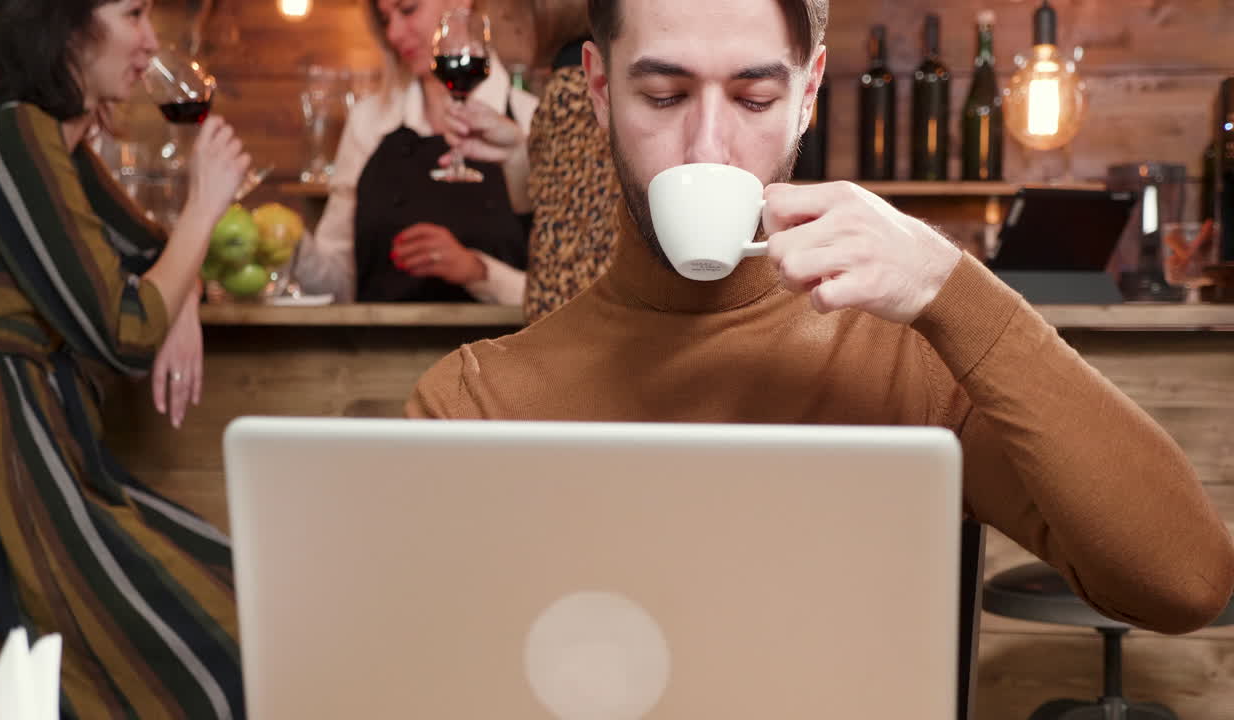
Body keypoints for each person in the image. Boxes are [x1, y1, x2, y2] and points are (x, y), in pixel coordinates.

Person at [409, 0, 1234, 635]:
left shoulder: (911, 368)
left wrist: (955, 287)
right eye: (662, 95)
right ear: (596, 88)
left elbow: (1184, 583)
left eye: (755, 97)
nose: (707, 147)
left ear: (808, 96)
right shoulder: (481, 400)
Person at [0, 0, 250, 717]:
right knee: (220, 631)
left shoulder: (55, 146)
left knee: (242, 589)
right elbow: (124, 332)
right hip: (5, 457)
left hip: (51, 447)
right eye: (133, 12)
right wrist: (205, 207)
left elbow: (156, 261)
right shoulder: (13, 133)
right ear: (66, 27)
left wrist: (180, 298)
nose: (151, 41)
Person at [296, 0, 538, 304]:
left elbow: (563, 293)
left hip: (499, 349)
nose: (394, 34)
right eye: (386, 20)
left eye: (408, 9)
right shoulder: (368, 122)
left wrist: (478, 271)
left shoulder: (532, 120)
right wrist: (292, 247)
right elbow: (338, 281)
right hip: (380, 348)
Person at [442, 0, 621, 322]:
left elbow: (565, 272)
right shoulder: (595, 83)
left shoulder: (570, 93)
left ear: (524, 13)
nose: (489, 23)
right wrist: (518, 156)